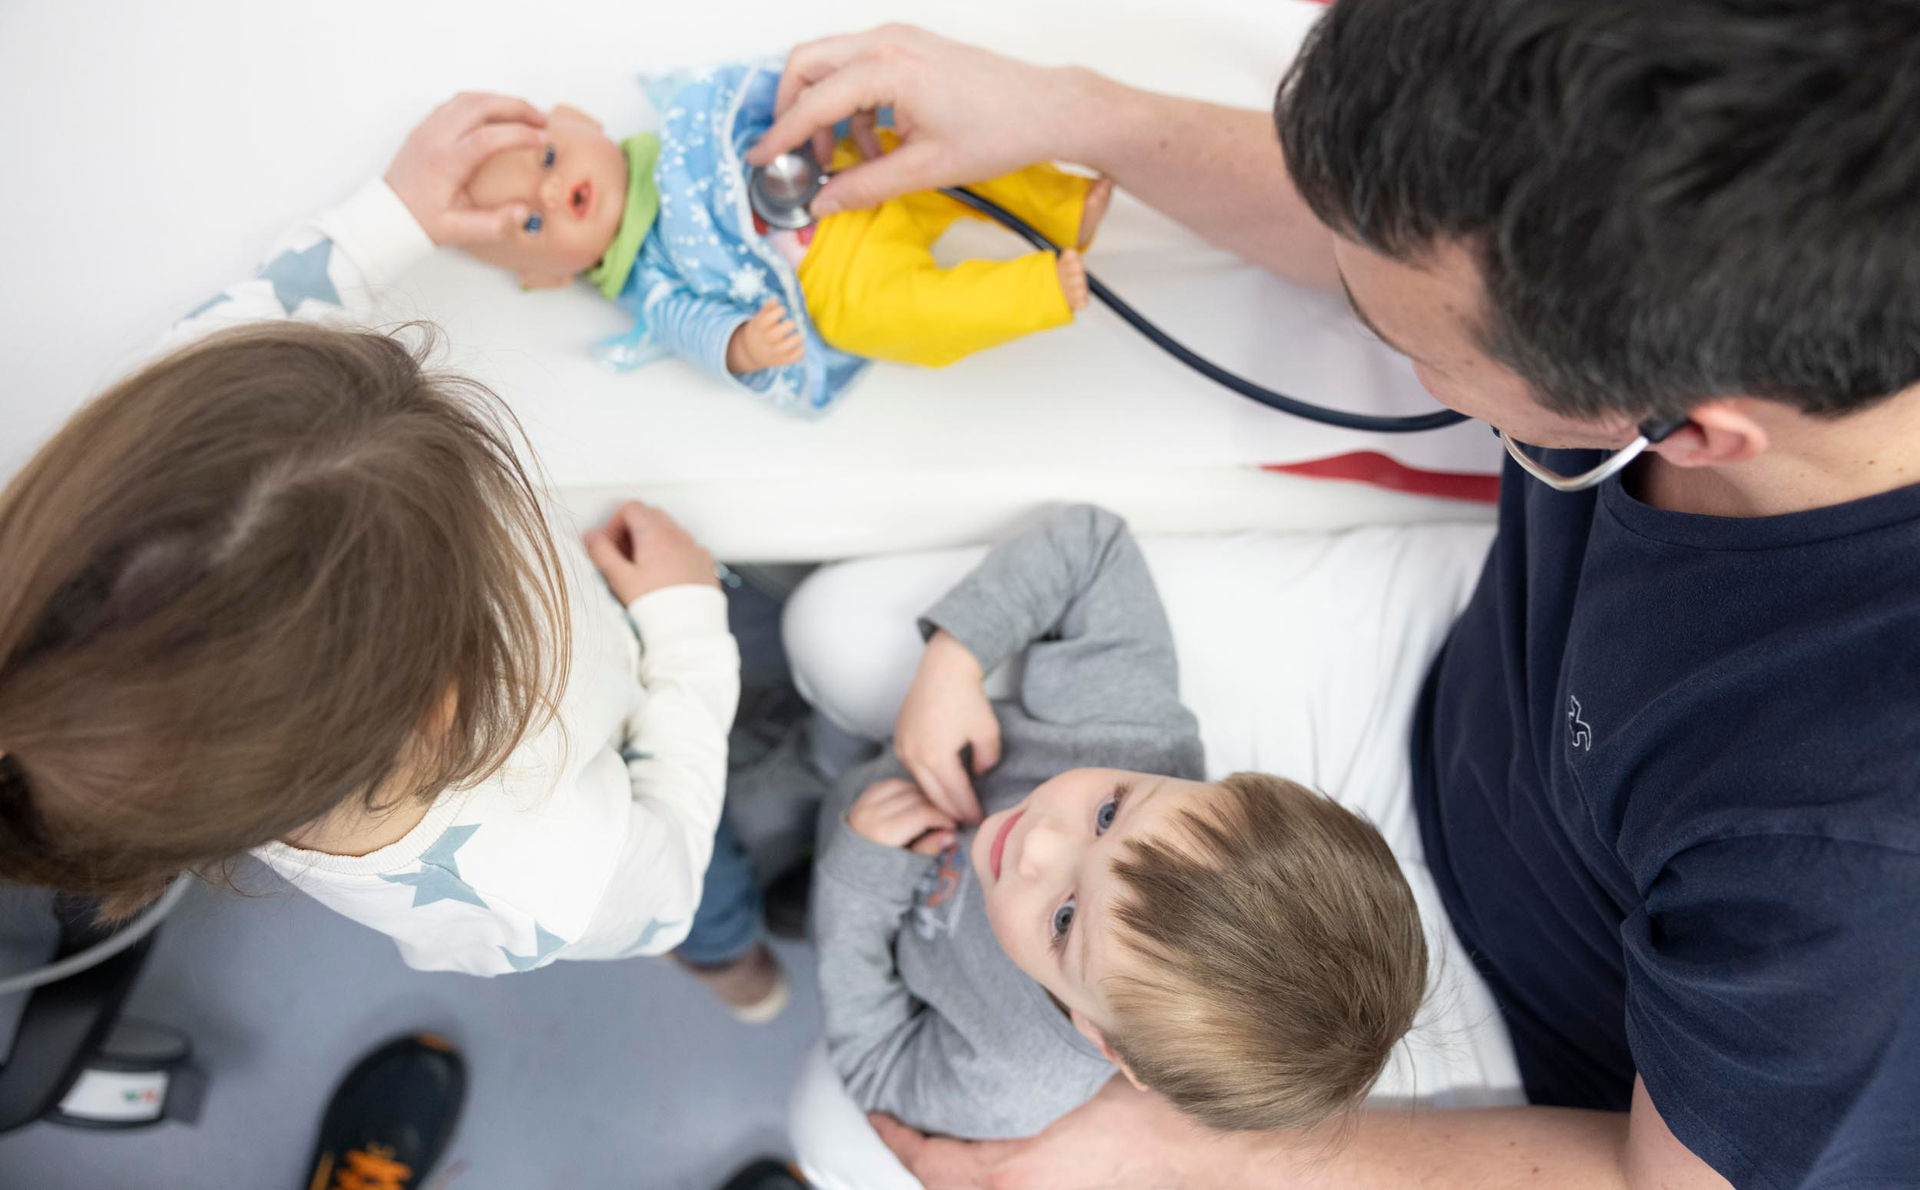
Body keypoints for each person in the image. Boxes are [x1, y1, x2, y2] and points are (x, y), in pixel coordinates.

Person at [748, 5, 1920, 1188]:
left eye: (1426, 353)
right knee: (843, 631)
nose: (1393, 348)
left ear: (1692, 429)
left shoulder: (1852, 851)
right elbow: (1434, 237)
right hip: (1455, 680)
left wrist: (1180, 1151)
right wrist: (1071, 112)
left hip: (1514, 1022)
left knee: (843, 1130)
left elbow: (1664, 1179)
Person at [0, 95, 783, 1019]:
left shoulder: (165, 475)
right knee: (709, 902)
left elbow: (239, 332)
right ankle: (736, 969)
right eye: (473, 505)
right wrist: (684, 626)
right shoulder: (542, 877)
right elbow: (665, 875)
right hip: (637, 778)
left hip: (595, 645)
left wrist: (396, 214)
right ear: (450, 699)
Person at [813, 505, 1427, 1143]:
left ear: (1104, 1039)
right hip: (880, 747)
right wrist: (955, 663)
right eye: (1108, 814)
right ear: (1221, 788)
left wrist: (855, 887)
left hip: (843, 898)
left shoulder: (1018, 1077)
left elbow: (877, 1067)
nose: (1038, 841)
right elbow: (1092, 546)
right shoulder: (1134, 740)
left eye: (1064, 919)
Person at [454, 65, 1113, 415]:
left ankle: (1061, 205)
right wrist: (745, 345)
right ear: (547, 277)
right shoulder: (650, 284)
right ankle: (1034, 294)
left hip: (845, 168)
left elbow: (769, 97)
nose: (549, 193)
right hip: (830, 279)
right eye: (531, 224)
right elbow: (699, 330)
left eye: (546, 160)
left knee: (939, 155)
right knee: (901, 316)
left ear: (579, 121)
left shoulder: (690, 123)